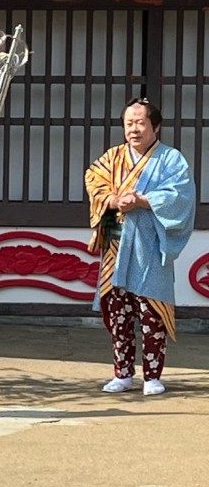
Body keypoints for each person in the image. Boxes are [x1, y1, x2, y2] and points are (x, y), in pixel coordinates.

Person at [85, 97, 195, 397]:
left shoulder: (171, 159)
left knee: (151, 312)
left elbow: (180, 195)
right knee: (118, 309)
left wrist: (142, 200)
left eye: (140, 122)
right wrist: (111, 200)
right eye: (129, 123)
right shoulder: (111, 157)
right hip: (116, 247)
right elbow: (94, 181)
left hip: (150, 246)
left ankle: (152, 375)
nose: (134, 129)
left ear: (155, 126)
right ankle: (122, 373)